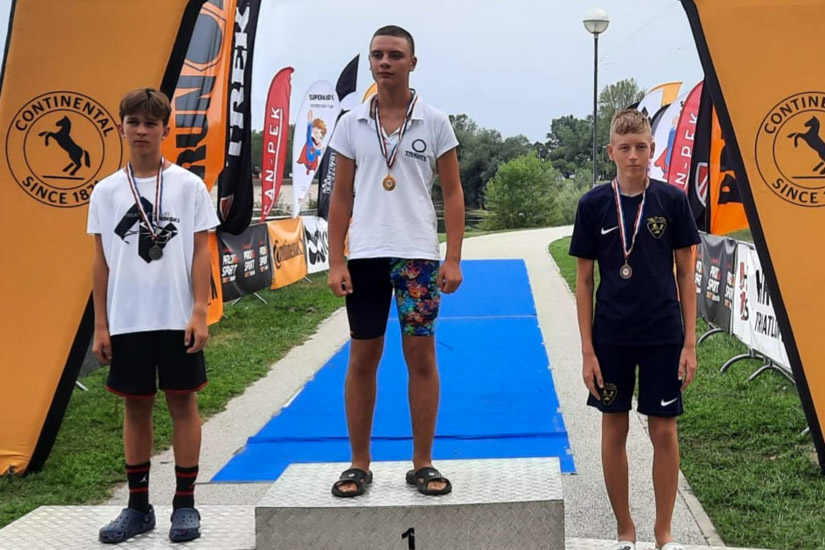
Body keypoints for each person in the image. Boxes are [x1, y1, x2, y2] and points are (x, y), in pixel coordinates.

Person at [326, 24, 464, 497]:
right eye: (378, 55)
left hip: (417, 256)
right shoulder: (351, 123)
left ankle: (422, 462)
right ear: (371, 61)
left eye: (395, 55)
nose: (385, 62)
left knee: (420, 357)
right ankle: (358, 464)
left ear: (412, 63)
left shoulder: (435, 121)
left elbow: (453, 193)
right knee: (363, 356)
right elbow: (340, 196)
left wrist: (453, 258)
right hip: (365, 256)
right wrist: (336, 260)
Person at [88, 88, 219, 543]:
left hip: (176, 315)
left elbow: (200, 251)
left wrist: (199, 310)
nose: (141, 131)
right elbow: (101, 260)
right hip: (128, 318)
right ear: (120, 127)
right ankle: (138, 507)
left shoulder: (188, 186)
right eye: (133, 122)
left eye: (150, 123)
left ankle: (185, 505)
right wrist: (101, 324)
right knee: (136, 406)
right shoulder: (106, 191)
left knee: (183, 402)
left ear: (166, 130)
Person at [569, 109, 699, 550]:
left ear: (652, 149)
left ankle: (664, 533)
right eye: (624, 148)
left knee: (664, 430)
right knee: (614, 429)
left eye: (641, 147)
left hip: (663, 334)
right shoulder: (592, 205)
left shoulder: (672, 201)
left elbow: (686, 273)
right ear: (611, 152)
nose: (633, 156)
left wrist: (689, 342)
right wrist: (587, 351)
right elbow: (584, 281)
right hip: (611, 336)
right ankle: (625, 529)